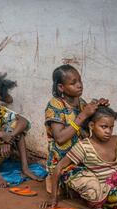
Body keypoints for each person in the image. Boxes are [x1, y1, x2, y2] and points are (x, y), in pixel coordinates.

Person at [44, 64, 108, 192]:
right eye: (73, 83)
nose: (79, 85)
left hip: (81, 159)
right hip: (63, 164)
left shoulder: (82, 103)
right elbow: (60, 139)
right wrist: (83, 115)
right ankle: (55, 181)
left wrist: (101, 109)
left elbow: (91, 126)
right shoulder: (55, 105)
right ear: (61, 87)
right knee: (95, 188)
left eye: (80, 80)